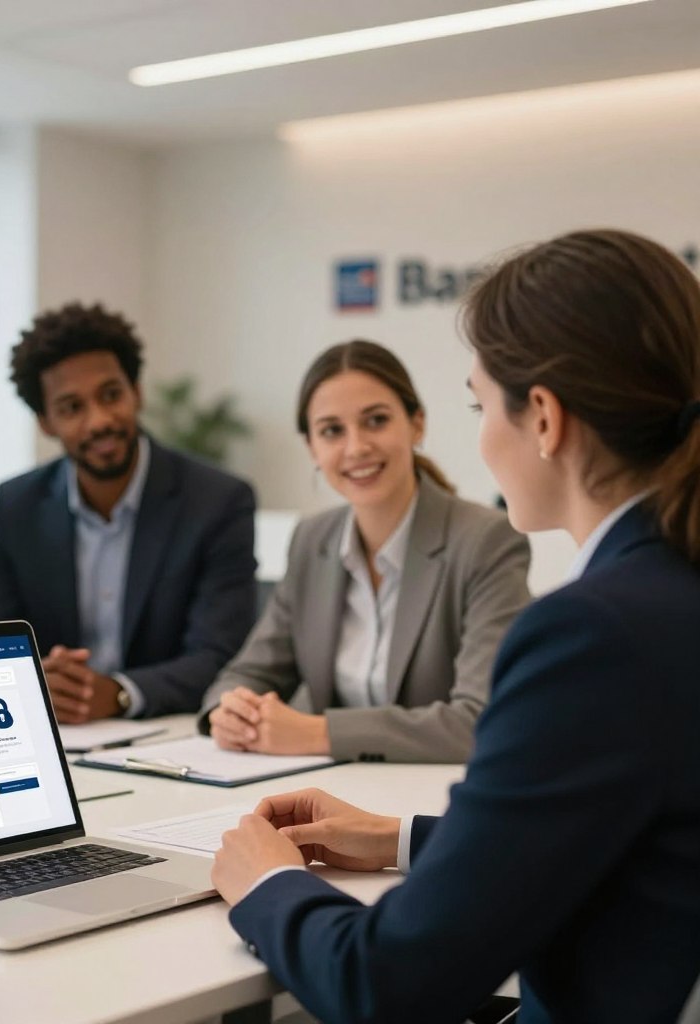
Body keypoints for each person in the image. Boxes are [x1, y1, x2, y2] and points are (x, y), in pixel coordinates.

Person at [211, 229, 700, 1022]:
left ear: (542, 418)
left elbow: (386, 984)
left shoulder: (595, 632)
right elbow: (613, 829)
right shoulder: (671, 589)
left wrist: (267, 882)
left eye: (481, 405)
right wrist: (402, 837)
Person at [199, 341, 530, 763]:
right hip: (329, 794)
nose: (356, 448)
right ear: (312, 448)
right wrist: (229, 711)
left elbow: (479, 720)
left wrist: (318, 733)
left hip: (431, 805)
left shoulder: (486, 541)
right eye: (332, 431)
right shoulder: (312, 541)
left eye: (375, 421)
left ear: (417, 424)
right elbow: (247, 673)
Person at [0, 301, 257, 721]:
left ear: (136, 391)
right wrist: (35, 680)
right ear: (45, 422)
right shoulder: (17, 506)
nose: (99, 420)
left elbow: (221, 655)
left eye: (111, 395)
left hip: (166, 734)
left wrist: (119, 693)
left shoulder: (217, 501)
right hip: (56, 736)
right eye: (71, 407)